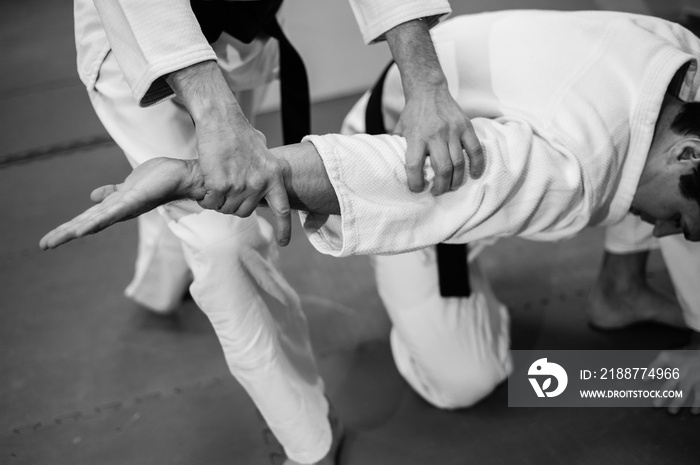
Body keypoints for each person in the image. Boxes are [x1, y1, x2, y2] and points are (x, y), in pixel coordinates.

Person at [53, 10, 700, 413]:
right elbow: (394, 178)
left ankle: (622, 288)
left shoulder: (683, 55)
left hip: (519, 116)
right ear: (689, 151)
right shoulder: (569, 167)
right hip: (418, 157)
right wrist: (195, 175)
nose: (669, 229)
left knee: (663, 195)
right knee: (467, 379)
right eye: (680, 220)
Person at [73, 0, 484, 463]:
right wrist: (215, 113)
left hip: (239, 23)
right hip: (138, 36)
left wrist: (425, 80)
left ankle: (165, 259)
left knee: (184, 197)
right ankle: (310, 436)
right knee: (225, 240)